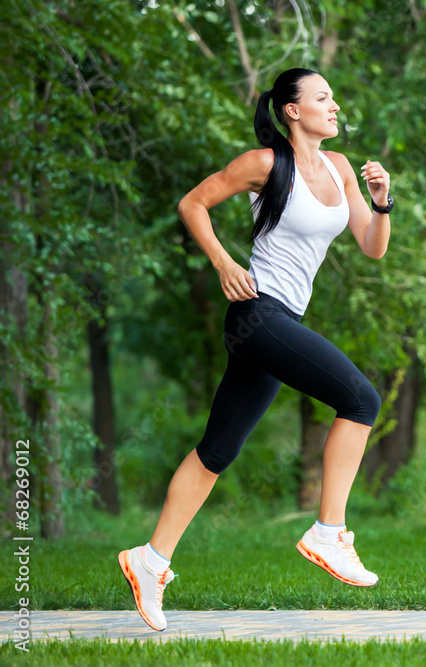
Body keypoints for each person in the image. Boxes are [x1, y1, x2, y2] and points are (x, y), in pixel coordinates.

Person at [117, 67, 394, 632]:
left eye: (333, 96)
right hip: (257, 312)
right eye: (323, 97)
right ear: (292, 110)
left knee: (217, 450)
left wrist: (382, 202)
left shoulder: (341, 169)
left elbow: (372, 248)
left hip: (281, 320)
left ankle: (149, 561)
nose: (334, 105)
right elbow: (193, 203)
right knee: (361, 400)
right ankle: (328, 532)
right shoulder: (266, 165)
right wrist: (224, 262)